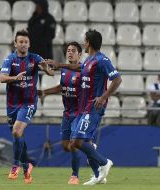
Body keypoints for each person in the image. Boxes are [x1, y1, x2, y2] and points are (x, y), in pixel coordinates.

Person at [44, 29, 122, 185]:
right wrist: (60, 65)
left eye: (85, 40)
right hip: (82, 107)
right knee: (79, 142)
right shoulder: (88, 60)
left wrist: (104, 96)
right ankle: (98, 175)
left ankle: (104, 162)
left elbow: (117, 79)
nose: (83, 43)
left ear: (89, 43)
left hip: (93, 106)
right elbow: (79, 68)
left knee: (78, 142)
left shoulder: (102, 60)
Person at [0, 29, 54, 184]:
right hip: (12, 105)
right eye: (20, 42)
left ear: (29, 44)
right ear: (15, 43)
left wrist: (47, 68)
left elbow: (50, 73)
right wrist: (14, 78)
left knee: (16, 131)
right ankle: (26, 167)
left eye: (25, 42)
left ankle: (15, 165)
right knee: (18, 136)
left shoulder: (35, 58)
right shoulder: (10, 59)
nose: (23, 44)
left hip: (29, 102)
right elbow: (2, 78)